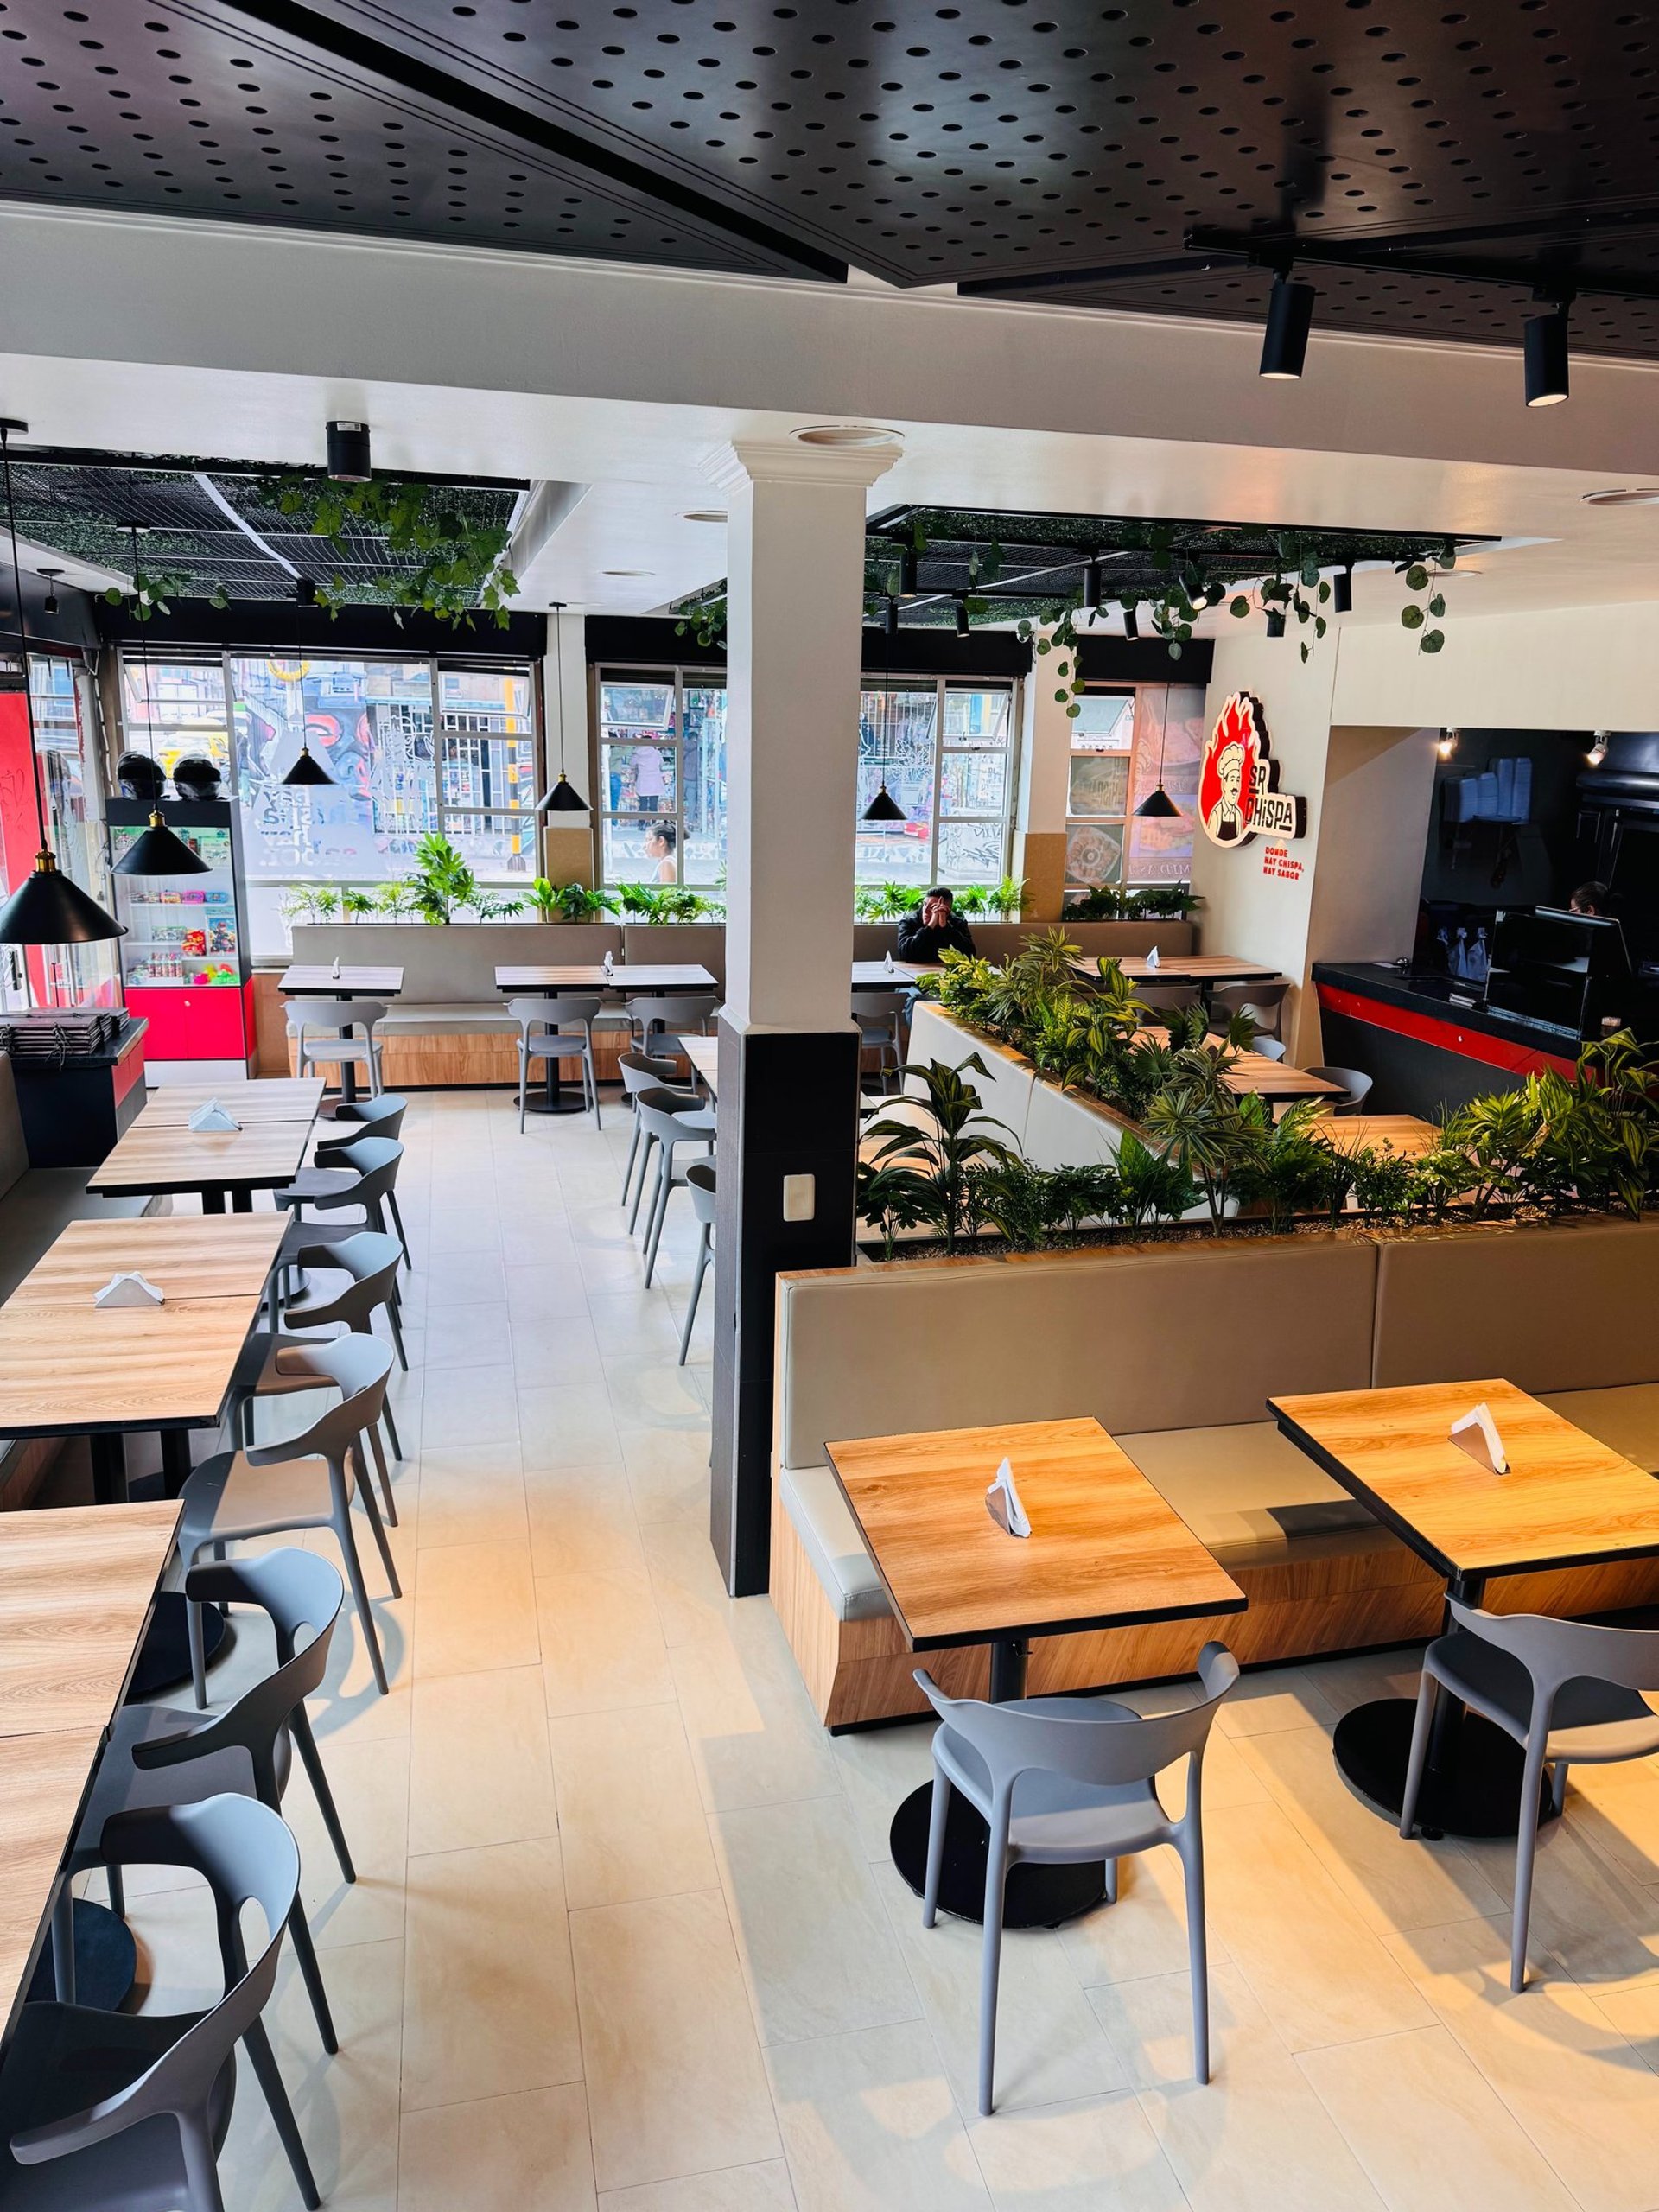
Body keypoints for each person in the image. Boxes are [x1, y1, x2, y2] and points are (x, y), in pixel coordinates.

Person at [896, 886, 977, 963]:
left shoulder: (957, 923)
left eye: (933, 906)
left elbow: (970, 954)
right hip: (915, 970)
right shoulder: (909, 921)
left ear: (947, 911)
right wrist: (930, 926)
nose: (926, 910)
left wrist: (946, 928)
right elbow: (905, 955)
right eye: (925, 904)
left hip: (946, 970)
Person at [644, 820, 677, 884]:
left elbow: (669, 890)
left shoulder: (667, 863)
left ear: (661, 841)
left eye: (649, 839)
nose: (645, 845)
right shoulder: (669, 861)